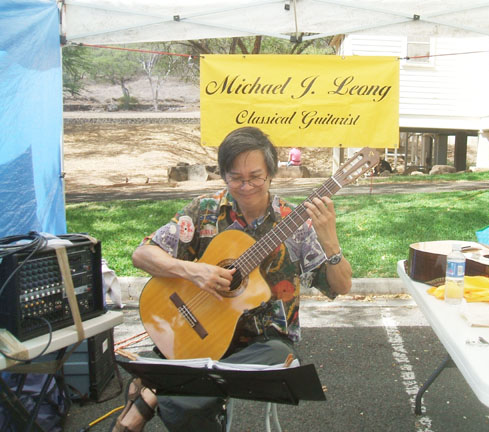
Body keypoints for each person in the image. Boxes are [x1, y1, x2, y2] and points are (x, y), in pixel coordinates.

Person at [111, 126, 352, 432]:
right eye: (235, 177)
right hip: (201, 333)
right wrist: (195, 271)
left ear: (271, 174)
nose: (246, 185)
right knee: (188, 401)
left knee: (194, 388)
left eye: (256, 176)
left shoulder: (294, 223)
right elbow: (143, 255)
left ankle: (159, 385)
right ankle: (175, 380)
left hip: (264, 345)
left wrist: (330, 243)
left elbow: (342, 286)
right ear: (223, 174)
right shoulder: (205, 210)